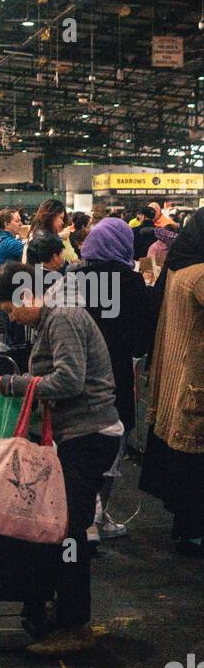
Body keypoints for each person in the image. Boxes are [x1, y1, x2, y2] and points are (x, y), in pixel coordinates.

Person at [0, 259, 121, 655]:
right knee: (65, 528)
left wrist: (15, 384)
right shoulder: (53, 318)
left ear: (26, 294)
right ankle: (67, 616)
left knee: (68, 532)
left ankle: (74, 627)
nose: (14, 319)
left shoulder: (61, 318)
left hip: (89, 435)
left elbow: (69, 380)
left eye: (11, 310)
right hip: (80, 434)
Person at [76, 217, 158, 541]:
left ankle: (86, 517)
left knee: (79, 444)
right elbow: (141, 339)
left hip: (78, 373)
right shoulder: (132, 282)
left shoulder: (75, 279)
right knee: (113, 438)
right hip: (115, 374)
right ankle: (96, 516)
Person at [140, 209, 204, 556]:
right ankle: (193, 532)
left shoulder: (177, 269)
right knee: (197, 466)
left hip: (177, 380)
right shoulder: (200, 275)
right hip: (195, 380)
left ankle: (186, 528)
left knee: (187, 466)